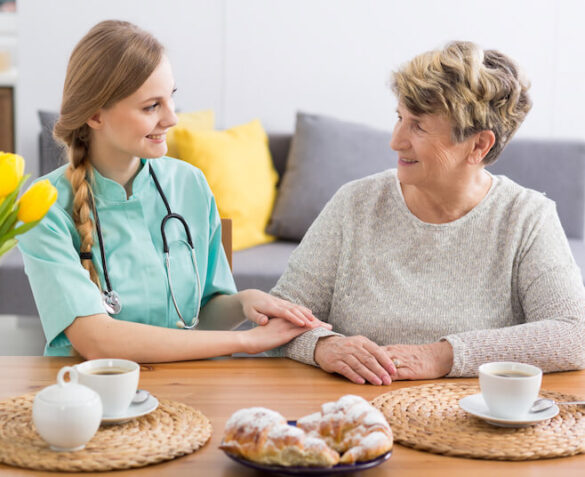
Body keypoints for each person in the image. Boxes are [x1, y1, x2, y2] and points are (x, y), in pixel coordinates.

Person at [270, 41, 585, 384]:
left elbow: (573, 335)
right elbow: (278, 318)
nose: (396, 141)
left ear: (479, 145)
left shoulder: (526, 217)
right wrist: (324, 347)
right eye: (399, 118)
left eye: (418, 126)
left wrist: (442, 356)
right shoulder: (355, 203)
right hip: (357, 408)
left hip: (473, 420)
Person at [18, 20, 331, 360]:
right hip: (95, 396)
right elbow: (97, 340)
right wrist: (247, 342)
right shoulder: (44, 205)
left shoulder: (190, 184)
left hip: (189, 389)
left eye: (171, 99)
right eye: (151, 106)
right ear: (95, 115)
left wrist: (243, 303)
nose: (172, 118)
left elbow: (204, 317)